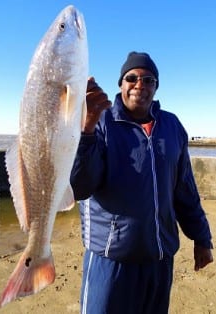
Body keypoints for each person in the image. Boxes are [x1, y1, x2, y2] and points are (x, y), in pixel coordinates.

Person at [70, 52, 213, 314]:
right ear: (121, 84)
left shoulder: (172, 126)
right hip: (111, 260)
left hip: (159, 260)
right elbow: (80, 187)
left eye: (148, 79)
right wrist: (87, 128)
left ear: (156, 86)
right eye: (132, 78)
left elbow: (185, 191)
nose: (140, 85)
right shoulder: (100, 121)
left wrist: (202, 238)